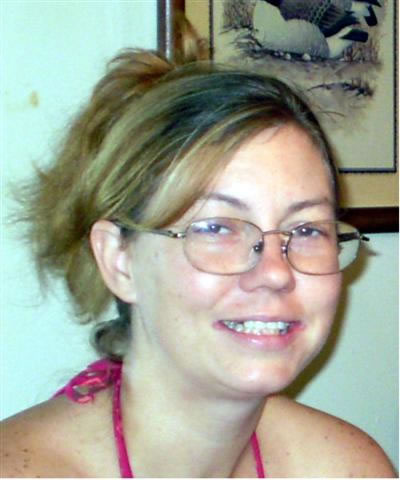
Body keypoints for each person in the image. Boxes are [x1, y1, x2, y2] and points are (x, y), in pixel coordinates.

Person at [1, 28, 396, 478]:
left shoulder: (347, 468)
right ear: (119, 260)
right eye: (217, 228)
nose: (275, 272)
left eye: (306, 229)